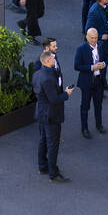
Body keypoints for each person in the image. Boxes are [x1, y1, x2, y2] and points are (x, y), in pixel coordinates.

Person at [33, 50, 73, 183]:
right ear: (46, 61)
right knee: (53, 144)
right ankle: (53, 172)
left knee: (43, 140)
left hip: (41, 112)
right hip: (51, 115)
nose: (54, 60)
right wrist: (67, 93)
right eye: (52, 59)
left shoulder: (37, 74)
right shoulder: (48, 78)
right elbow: (54, 99)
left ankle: (42, 166)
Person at [75, 27, 108, 138]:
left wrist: (103, 64)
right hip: (86, 82)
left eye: (96, 37)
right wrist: (91, 67)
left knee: (98, 105)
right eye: (92, 38)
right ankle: (84, 128)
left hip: (98, 81)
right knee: (85, 106)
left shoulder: (101, 45)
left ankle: (99, 125)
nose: (94, 40)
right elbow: (77, 66)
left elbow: (107, 58)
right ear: (87, 37)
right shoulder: (81, 49)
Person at [85, 0, 108, 91]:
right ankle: (97, 87)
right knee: (99, 65)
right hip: (99, 43)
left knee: (104, 63)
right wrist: (101, 36)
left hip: (105, 42)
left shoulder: (105, 7)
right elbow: (87, 30)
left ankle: (103, 83)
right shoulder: (94, 12)